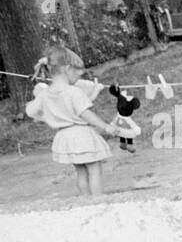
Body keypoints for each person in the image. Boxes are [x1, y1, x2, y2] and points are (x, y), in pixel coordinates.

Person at [25, 46, 121, 198]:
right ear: (67, 69)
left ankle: (85, 199)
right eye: (78, 74)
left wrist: (46, 118)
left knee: (81, 172)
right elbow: (85, 113)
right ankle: (97, 199)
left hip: (65, 137)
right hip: (82, 135)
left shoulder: (46, 93)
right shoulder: (73, 91)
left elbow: (30, 111)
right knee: (94, 168)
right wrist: (105, 126)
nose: (79, 78)